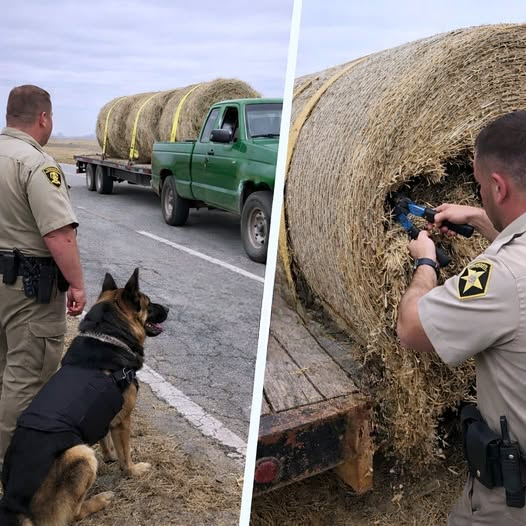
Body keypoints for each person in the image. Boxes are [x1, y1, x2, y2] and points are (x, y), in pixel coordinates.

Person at [396, 109, 526, 525]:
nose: (480, 196)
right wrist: (477, 217)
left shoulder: (500, 275)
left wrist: (426, 263)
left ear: (498, 186)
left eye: (481, 188)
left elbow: (411, 328)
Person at [0, 85, 86, 461]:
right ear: (44, 118)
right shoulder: (37, 164)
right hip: (28, 291)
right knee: (26, 379)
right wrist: (77, 285)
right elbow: (58, 234)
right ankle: (12, 466)